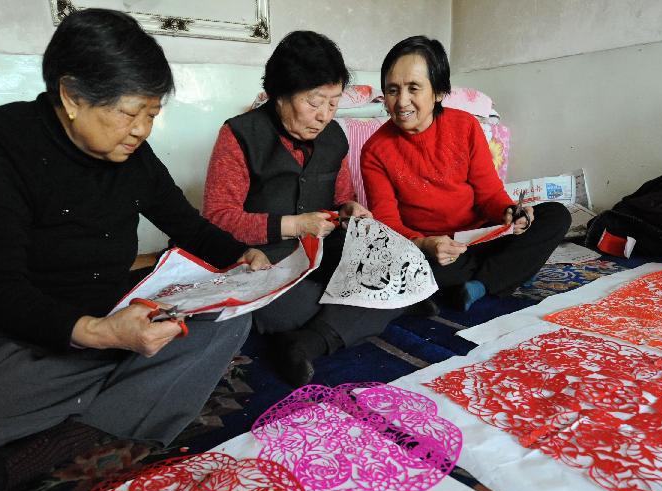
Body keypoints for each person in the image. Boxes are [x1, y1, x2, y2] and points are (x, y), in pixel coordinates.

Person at [0, 9, 269, 491]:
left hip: (113, 307)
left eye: (152, 115)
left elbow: (185, 223)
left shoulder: (132, 154)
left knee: (228, 319)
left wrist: (241, 257)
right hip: (14, 332)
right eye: (129, 112)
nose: (140, 130)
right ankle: (119, 404)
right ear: (72, 96)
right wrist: (103, 335)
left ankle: (65, 436)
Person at [203, 30, 410, 387]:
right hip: (264, 263)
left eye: (333, 103)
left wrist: (349, 209)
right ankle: (338, 322)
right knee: (301, 306)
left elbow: (341, 197)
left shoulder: (334, 137)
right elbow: (218, 219)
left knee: (401, 269)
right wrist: (294, 225)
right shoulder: (239, 134)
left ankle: (305, 341)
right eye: (314, 102)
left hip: (320, 256)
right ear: (279, 93)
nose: (324, 115)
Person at [361, 36, 571, 311]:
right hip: (435, 253)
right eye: (392, 90)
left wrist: (509, 212)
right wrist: (425, 243)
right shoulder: (375, 150)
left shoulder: (465, 126)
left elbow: (490, 195)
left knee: (555, 215)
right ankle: (508, 272)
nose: (401, 102)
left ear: (437, 92)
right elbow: (387, 223)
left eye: (413, 88)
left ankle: (478, 285)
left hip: (483, 237)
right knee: (387, 269)